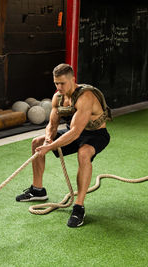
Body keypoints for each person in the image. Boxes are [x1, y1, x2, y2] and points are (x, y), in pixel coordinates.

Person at [16, 63, 111, 227]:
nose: (59, 87)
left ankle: (79, 206)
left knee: (83, 154)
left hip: (95, 135)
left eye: (62, 83)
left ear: (73, 80)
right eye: (56, 83)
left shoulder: (85, 97)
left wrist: (50, 147)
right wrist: (47, 140)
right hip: (74, 132)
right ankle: (38, 190)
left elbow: (74, 132)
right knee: (37, 142)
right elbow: (52, 126)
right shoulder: (58, 97)